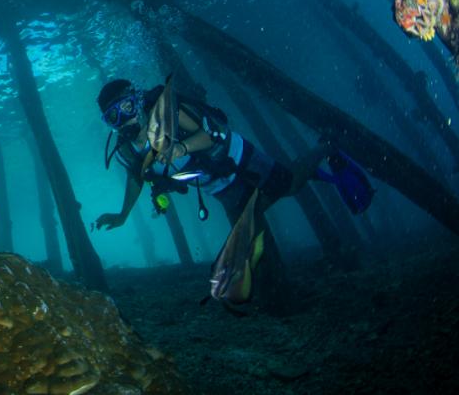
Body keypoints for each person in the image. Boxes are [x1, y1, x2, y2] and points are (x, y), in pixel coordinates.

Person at [93, 77, 372, 302]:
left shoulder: (168, 115)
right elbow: (136, 178)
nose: (125, 120)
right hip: (216, 185)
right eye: (114, 117)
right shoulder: (128, 149)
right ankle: (274, 293)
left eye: (127, 108)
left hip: (240, 159)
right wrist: (122, 215)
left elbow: (217, 135)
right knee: (250, 222)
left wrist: (182, 147)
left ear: (138, 101)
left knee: (290, 185)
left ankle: (325, 148)